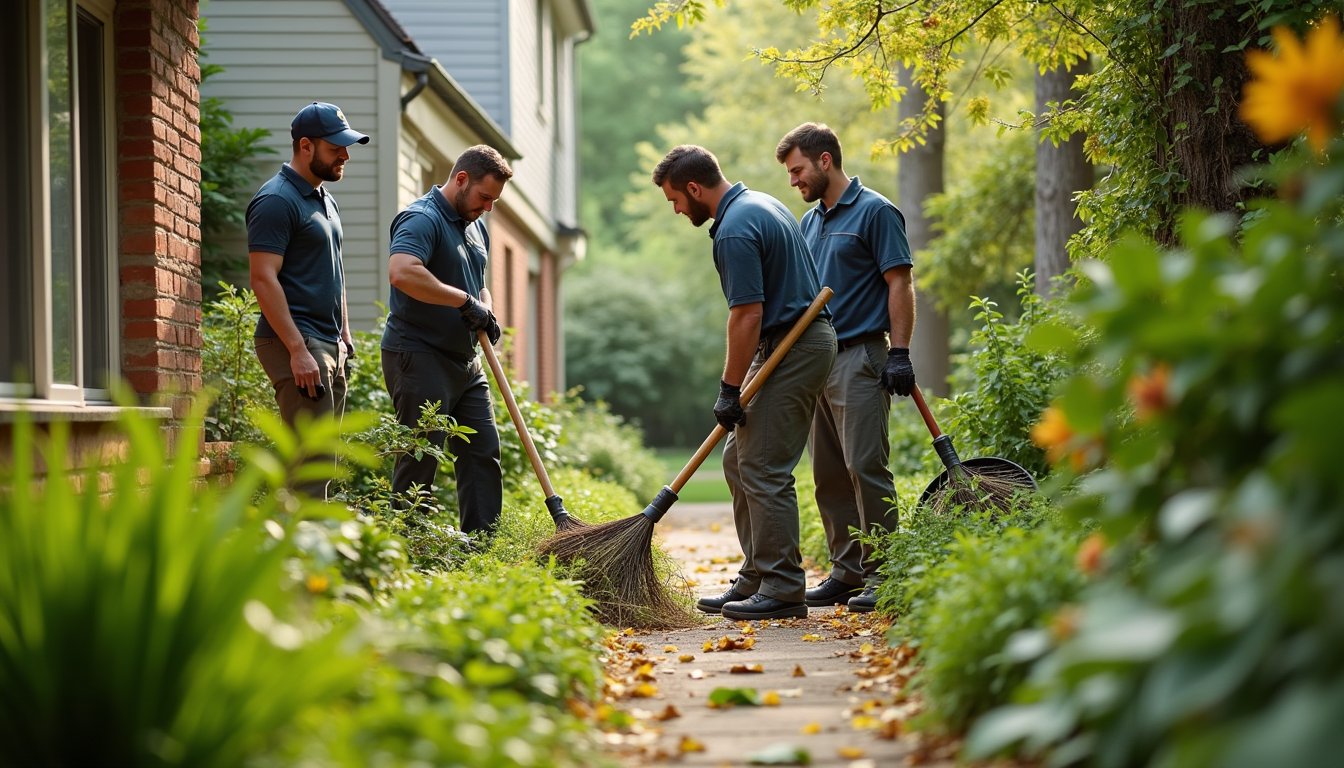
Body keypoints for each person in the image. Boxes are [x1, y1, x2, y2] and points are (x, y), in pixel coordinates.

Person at [653, 144, 837, 621]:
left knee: (762, 465)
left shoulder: (735, 227)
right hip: (790, 343)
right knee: (738, 459)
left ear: (694, 188)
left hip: (793, 345)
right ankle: (758, 573)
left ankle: (783, 587)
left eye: (675, 200)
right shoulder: (761, 203)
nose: (676, 210)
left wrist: (729, 388)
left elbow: (746, 315)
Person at [775, 122, 916, 613]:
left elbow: (900, 283)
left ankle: (884, 572)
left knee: (865, 467)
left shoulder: (876, 211)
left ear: (825, 160)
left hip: (860, 356)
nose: (794, 180)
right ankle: (846, 572)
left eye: (797, 170)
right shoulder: (809, 222)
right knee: (829, 474)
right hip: (816, 361)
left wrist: (900, 353)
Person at [380, 145, 512, 535]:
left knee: (483, 453)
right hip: (419, 354)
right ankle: (407, 549)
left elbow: (478, 285)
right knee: (420, 457)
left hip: (466, 362)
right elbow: (402, 272)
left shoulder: (476, 226)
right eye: (484, 197)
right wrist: (464, 302)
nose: (488, 207)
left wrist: (485, 309)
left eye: (494, 200)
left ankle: (482, 548)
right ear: (461, 179)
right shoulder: (422, 219)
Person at [248, 101, 370, 499]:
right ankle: (294, 538)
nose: (344, 155)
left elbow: (335, 271)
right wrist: (297, 350)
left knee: (323, 463)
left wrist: (344, 335)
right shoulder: (276, 200)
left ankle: (309, 536)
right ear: (305, 146)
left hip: (328, 343)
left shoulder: (325, 200)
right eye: (335, 147)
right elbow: (262, 278)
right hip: (295, 342)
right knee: (309, 468)